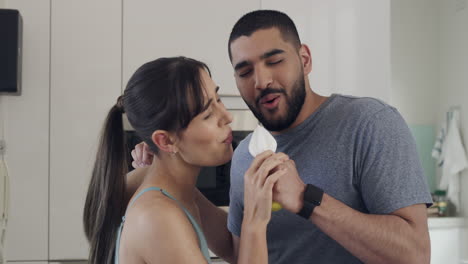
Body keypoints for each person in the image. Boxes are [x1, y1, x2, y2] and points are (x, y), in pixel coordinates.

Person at [132, 10, 433, 264]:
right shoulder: (244, 155)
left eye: (274, 61)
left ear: (304, 59)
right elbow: (240, 252)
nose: (261, 81)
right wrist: (171, 178)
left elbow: (415, 255)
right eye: (245, 71)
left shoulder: (370, 123)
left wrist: (306, 199)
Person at [83, 56, 289, 264]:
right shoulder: (158, 217)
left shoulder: (176, 191)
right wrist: (255, 219)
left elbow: (234, 249)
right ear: (165, 141)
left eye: (218, 100)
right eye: (208, 114)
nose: (227, 117)